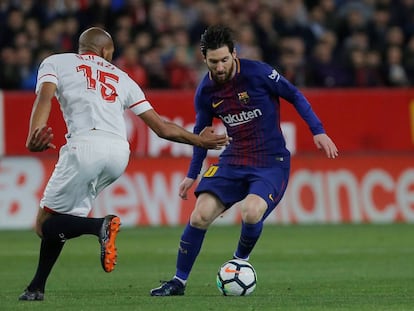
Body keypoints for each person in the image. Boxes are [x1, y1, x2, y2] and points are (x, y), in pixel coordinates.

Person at [19, 26, 230, 301]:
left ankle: (99, 227)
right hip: (119, 153)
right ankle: (37, 287)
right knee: (61, 221)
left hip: (84, 146)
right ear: (106, 51)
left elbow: (44, 97)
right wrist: (200, 142)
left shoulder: (56, 61)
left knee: (44, 225)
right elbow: (162, 128)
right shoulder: (123, 77)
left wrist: (34, 133)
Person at [150, 24, 338, 296]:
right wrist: (193, 173)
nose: (220, 67)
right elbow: (201, 135)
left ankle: (239, 262)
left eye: (225, 59)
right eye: (214, 62)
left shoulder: (259, 73)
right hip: (234, 159)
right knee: (200, 215)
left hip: (271, 161)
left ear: (234, 54)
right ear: (204, 59)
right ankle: (178, 282)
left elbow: (294, 95)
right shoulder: (205, 91)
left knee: (250, 211)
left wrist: (318, 131)